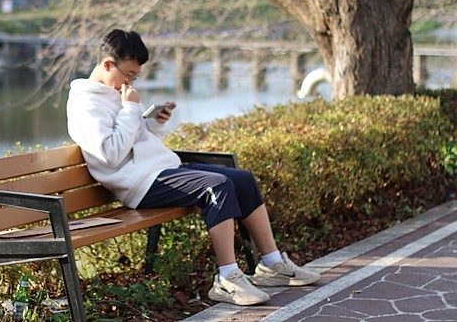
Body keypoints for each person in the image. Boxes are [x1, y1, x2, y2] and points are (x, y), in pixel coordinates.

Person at [66, 29, 319, 306]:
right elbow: (111, 154)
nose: (130, 81)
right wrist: (130, 110)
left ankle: (271, 265)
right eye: (128, 74)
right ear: (107, 64)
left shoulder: (117, 95)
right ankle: (227, 278)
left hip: (158, 171)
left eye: (135, 76)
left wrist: (154, 123)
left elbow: (134, 143)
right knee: (217, 186)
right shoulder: (85, 103)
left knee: (242, 180)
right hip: (139, 185)